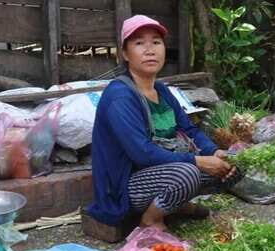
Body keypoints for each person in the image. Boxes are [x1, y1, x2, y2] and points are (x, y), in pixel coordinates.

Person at [87, 15, 239, 231]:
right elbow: (142, 153)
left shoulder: (161, 90)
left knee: (234, 163)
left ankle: (177, 205)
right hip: (125, 186)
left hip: (161, 171)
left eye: (156, 42)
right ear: (125, 53)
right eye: (139, 43)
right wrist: (198, 161)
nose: (150, 50)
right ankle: (150, 220)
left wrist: (213, 152)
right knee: (187, 174)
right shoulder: (120, 96)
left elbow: (188, 129)